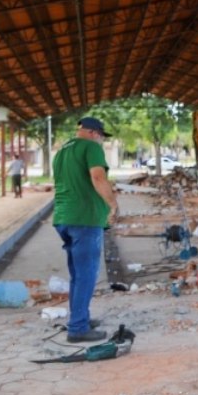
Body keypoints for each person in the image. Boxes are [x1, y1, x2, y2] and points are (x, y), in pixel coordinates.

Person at [53, 117, 118, 343]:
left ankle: (80, 318)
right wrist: (112, 203)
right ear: (93, 133)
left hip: (63, 217)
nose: (101, 141)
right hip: (85, 218)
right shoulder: (91, 148)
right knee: (87, 275)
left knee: (77, 275)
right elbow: (98, 177)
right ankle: (78, 328)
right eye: (101, 136)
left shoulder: (62, 150)